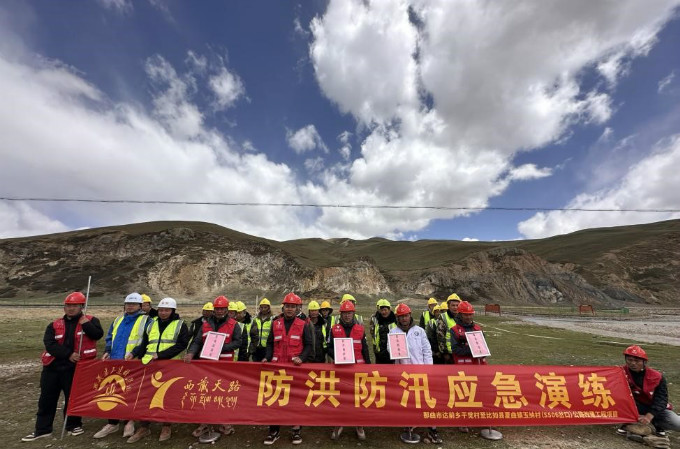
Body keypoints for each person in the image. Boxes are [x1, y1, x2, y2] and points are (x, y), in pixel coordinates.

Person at [22, 292, 104, 442]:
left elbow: (97, 335)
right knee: (46, 399)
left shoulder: (91, 321)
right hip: (52, 368)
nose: (70, 309)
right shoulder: (54, 325)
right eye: (68, 305)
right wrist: (68, 354)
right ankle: (43, 429)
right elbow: (49, 344)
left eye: (74, 306)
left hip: (75, 368)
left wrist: (86, 323)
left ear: (82, 306)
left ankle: (73, 425)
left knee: (72, 397)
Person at [125, 297, 190, 443]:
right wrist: (135, 354)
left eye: (166, 310)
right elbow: (145, 343)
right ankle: (144, 426)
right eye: (161, 310)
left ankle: (166, 426)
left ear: (173, 311)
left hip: (169, 366)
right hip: (150, 365)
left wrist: (161, 355)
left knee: (167, 396)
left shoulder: (180, 325)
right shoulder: (151, 323)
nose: (163, 313)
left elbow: (181, 345)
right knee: (146, 395)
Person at [94, 292, 151, 439]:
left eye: (133, 304)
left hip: (133, 362)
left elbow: (147, 340)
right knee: (112, 391)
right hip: (115, 361)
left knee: (130, 392)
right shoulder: (118, 319)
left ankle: (129, 421)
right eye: (128, 304)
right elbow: (110, 337)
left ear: (140, 306)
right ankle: (112, 423)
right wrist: (107, 351)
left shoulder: (147, 320)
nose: (130, 306)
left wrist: (135, 352)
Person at [184, 295, 241, 439]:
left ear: (227, 309)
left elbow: (238, 342)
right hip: (207, 365)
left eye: (222, 309)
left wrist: (221, 347)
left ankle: (225, 422)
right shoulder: (205, 325)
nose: (219, 311)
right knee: (205, 394)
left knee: (224, 394)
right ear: (214, 309)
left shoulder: (234, 325)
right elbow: (197, 341)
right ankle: (204, 423)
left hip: (225, 366)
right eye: (217, 309)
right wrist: (191, 353)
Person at [263, 293, 313, 445]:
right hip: (277, 367)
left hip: (294, 368)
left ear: (297, 308)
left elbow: (309, 345)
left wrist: (302, 358)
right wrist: (267, 357)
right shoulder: (275, 323)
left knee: (295, 399)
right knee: (275, 398)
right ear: (283, 307)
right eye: (287, 306)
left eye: (292, 306)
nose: (289, 309)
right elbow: (270, 343)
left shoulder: (303, 324)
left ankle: (296, 430)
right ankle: (274, 430)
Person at [389, 303, 442, 444]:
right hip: (403, 373)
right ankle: (409, 425)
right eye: (401, 316)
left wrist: (428, 369)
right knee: (407, 400)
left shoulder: (420, 331)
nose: (404, 319)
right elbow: (390, 350)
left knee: (426, 400)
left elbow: (427, 351)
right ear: (397, 318)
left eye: (406, 316)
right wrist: (394, 349)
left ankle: (432, 429)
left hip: (420, 372)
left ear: (410, 315)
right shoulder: (393, 332)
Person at [327, 300, 370, 441]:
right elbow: (328, 348)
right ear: (341, 314)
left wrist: (369, 367)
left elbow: (365, 349)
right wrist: (337, 356)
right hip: (340, 369)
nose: (347, 316)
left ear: (353, 313)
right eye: (344, 313)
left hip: (358, 369)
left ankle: (359, 425)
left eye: (349, 313)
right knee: (340, 397)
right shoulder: (334, 329)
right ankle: (339, 424)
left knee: (358, 398)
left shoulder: (360, 329)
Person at [619, 345, 680, 438]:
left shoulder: (657, 376)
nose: (633, 363)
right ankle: (627, 423)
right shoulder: (619, 372)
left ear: (644, 362)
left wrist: (649, 416)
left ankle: (657, 424)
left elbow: (661, 399)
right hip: (632, 407)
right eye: (629, 360)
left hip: (655, 408)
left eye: (637, 361)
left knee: (677, 424)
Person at [436, 293, 462, 364]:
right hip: (449, 354)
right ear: (448, 306)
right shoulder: (443, 317)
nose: (455, 307)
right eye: (453, 305)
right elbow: (440, 336)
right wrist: (445, 353)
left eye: (457, 305)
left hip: (461, 352)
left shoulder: (462, 316)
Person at [370, 299, 396, 364]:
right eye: (382, 310)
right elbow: (373, 334)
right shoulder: (376, 320)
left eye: (385, 310)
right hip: (379, 354)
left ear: (389, 310)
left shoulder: (395, 320)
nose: (384, 312)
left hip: (392, 354)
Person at [250, 298, 273, 362]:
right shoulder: (255, 319)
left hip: (267, 349)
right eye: (262, 307)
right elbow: (251, 334)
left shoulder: (272, 320)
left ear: (269, 308)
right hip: (256, 349)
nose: (263, 309)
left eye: (265, 307)